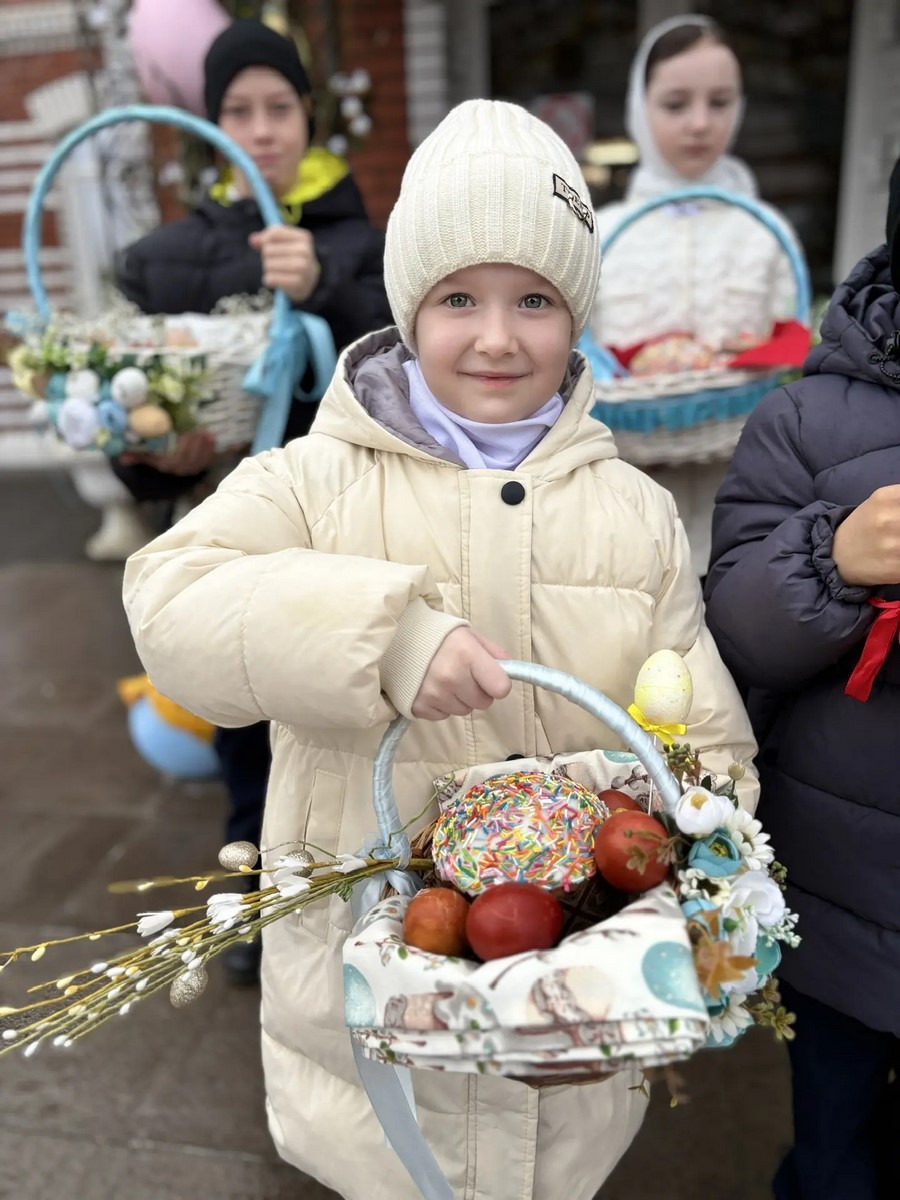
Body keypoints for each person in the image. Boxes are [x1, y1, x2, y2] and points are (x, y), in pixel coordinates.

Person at [123, 99, 757, 1200]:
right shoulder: (315, 480)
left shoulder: (635, 512)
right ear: (411, 306)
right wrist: (387, 636)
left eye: (534, 299)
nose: (498, 337)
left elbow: (704, 738)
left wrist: (699, 870)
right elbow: (172, 600)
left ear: (576, 314)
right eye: (459, 298)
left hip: (572, 1009)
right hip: (376, 1020)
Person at [118, 19, 392, 985]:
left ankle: (358, 892)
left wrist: (323, 287)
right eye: (240, 110)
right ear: (212, 125)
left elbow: (392, 369)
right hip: (234, 530)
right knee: (245, 724)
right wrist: (155, 457)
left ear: (310, 116)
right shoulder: (171, 258)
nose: (263, 128)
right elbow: (145, 416)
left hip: (340, 525)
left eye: (280, 106)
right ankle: (259, 905)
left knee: (339, 717)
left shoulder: (365, 242)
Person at [703, 161, 900, 1200]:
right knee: (835, 1140)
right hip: (839, 888)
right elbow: (735, 632)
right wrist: (831, 558)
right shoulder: (808, 419)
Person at [589, 14, 801, 575]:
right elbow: (583, 351)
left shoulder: (762, 231)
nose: (701, 123)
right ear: (640, 108)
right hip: (624, 499)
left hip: (746, 499)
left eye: (720, 102)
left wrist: (765, 350)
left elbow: (789, 339)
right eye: (676, 104)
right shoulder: (605, 233)